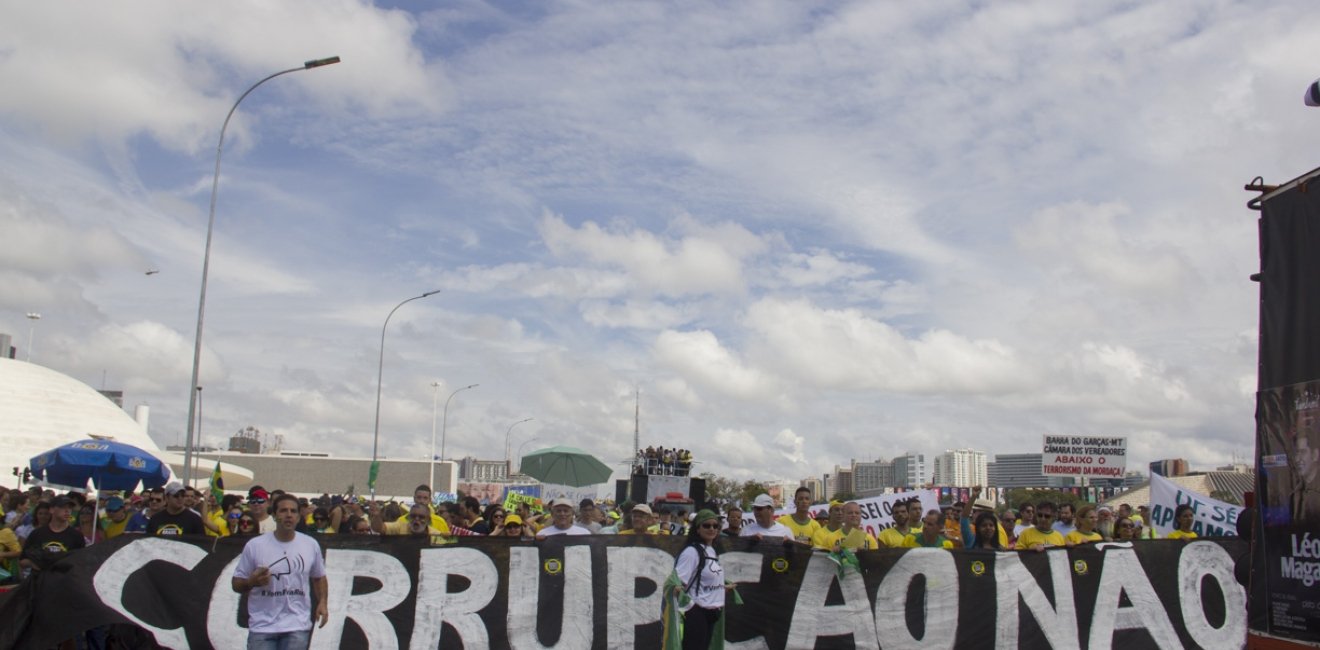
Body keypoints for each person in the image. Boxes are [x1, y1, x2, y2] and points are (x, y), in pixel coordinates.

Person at [232, 493, 328, 649]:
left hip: (296, 625)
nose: (289, 515)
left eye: (293, 511)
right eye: (283, 511)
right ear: (275, 515)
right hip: (262, 626)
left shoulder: (310, 545)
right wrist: (251, 582)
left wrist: (323, 602)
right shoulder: (255, 545)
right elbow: (236, 583)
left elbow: (319, 577)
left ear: (298, 517)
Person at [672, 510, 728, 650]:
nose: (712, 529)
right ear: (697, 529)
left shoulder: (711, 550)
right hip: (696, 612)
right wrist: (688, 605)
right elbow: (677, 582)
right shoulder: (691, 552)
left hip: (712, 611)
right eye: (706, 525)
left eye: (715, 526)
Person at [20, 496, 84, 576]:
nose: (67, 510)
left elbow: (81, 563)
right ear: (51, 510)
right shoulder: (37, 533)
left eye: (70, 507)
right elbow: (22, 560)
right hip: (39, 582)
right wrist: (34, 563)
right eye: (62, 507)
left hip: (63, 583)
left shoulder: (76, 536)